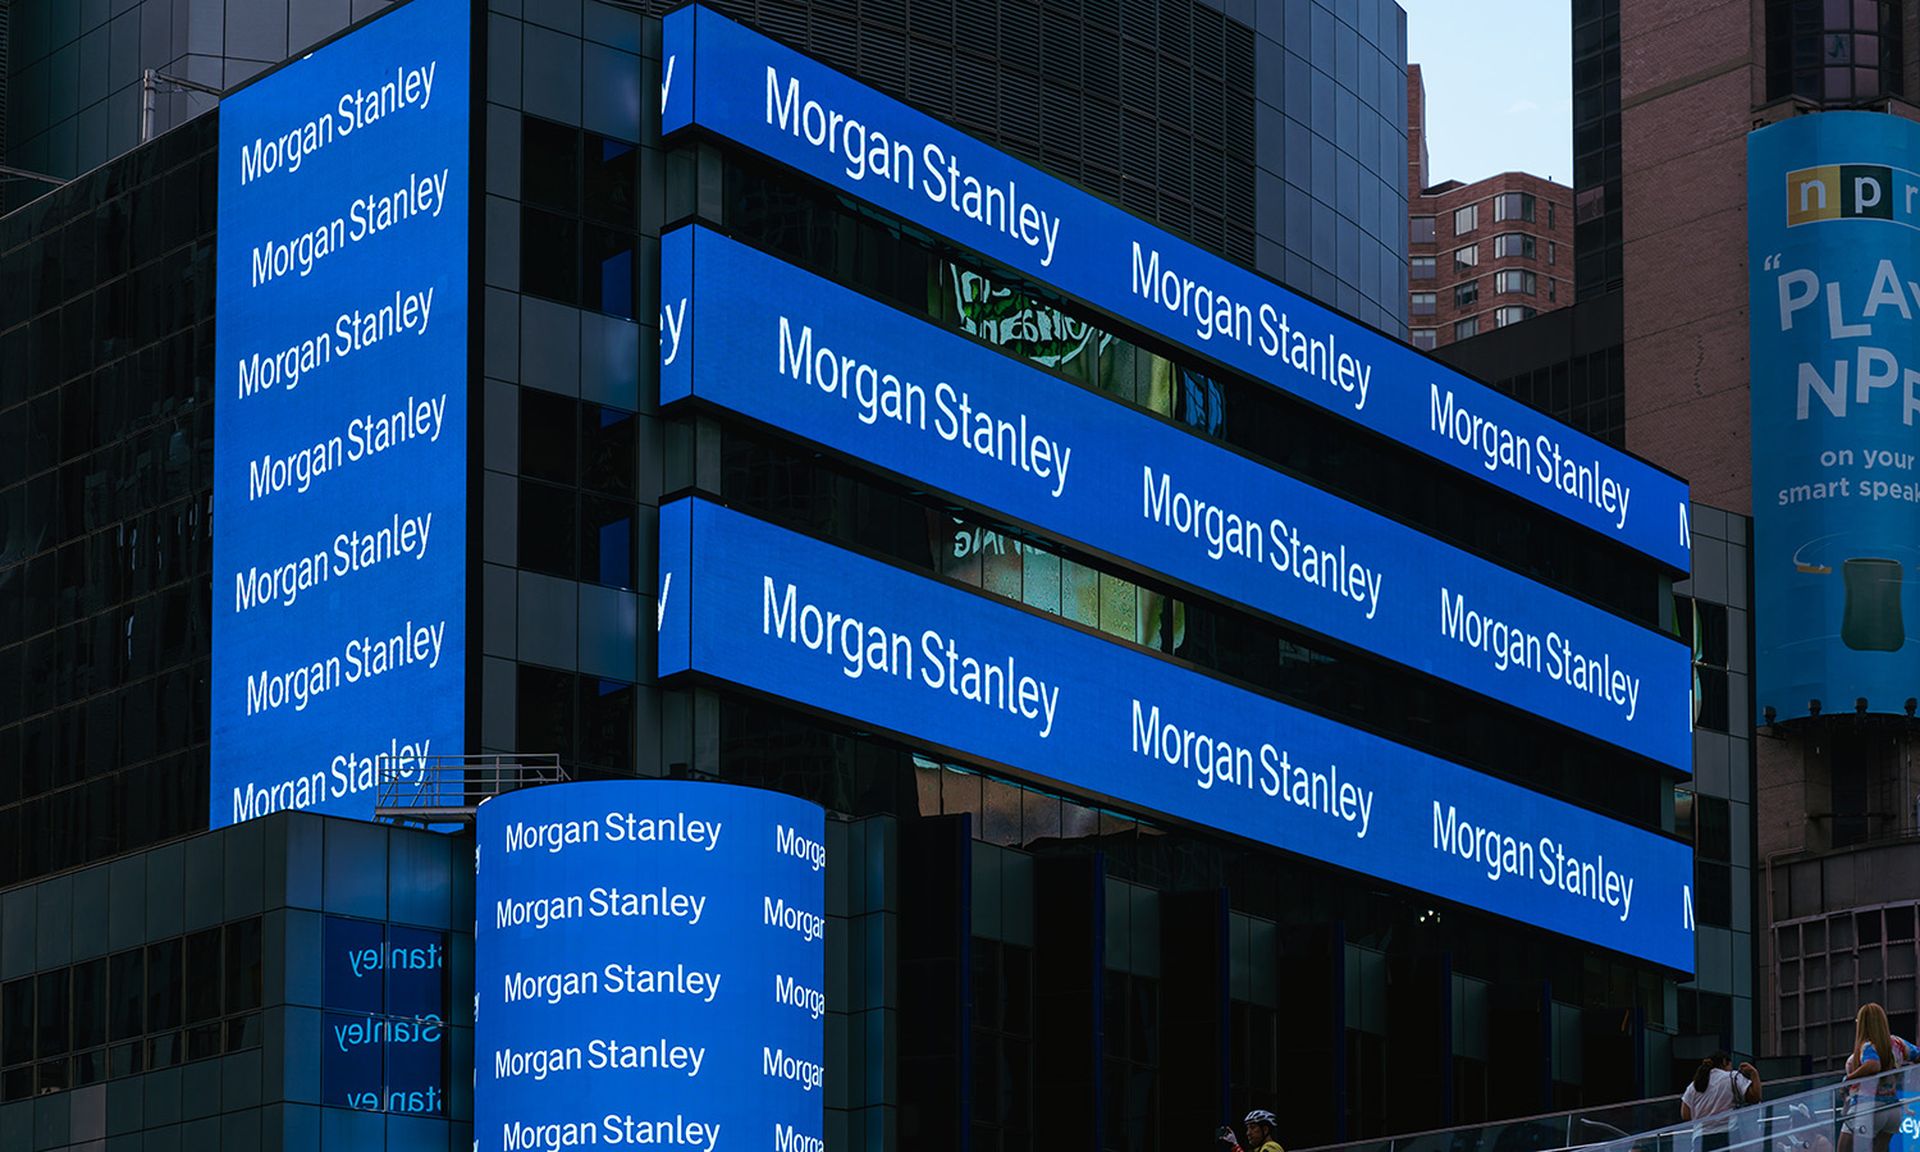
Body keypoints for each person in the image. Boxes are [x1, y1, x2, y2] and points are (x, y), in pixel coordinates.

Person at [1841, 1002, 1915, 1152]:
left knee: (1844, 1148)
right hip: (1892, 1109)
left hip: (1867, 1107)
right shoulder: (1897, 1043)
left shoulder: (1867, 1046)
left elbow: (1873, 1065)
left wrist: (1848, 1080)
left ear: (1862, 1024)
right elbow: (1917, 1055)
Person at [1681, 1051, 1762, 1150]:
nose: (1731, 1069)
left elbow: (1685, 1115)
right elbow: (1755, 1097)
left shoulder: (1693, 1086)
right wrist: (1754, 1073)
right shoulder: (1732, 1077)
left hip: (1700, 1139)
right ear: (1724, 1062)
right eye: (1730, 1065)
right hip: (1728, 1135)